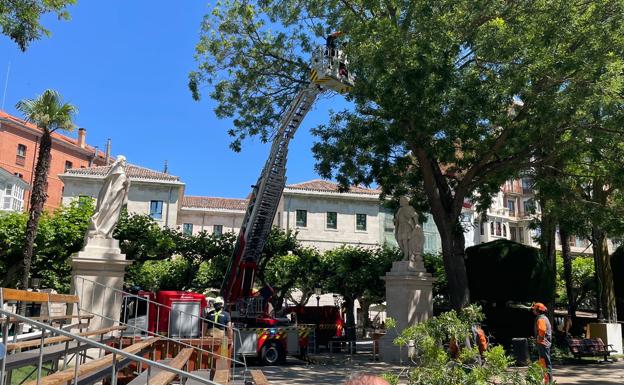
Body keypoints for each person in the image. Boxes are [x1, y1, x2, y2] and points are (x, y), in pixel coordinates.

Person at [532, 302, 552, 384]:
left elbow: (542, 330)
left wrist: (539, 339)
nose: (533, 310)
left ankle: (548, 382)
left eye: (534, 309)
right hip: (544, 343)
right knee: (543, 361)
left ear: (537, 310)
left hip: (543, 343)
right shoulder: (545, 318)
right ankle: (546, 381)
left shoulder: (541, 319)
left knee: (545, 362)